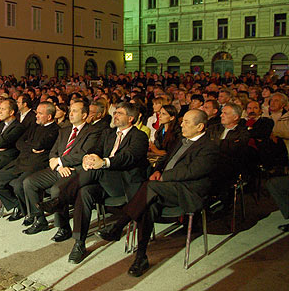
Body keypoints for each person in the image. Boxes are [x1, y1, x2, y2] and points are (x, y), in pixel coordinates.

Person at [97, 109, 218, 277]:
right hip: (164, 189)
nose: (181, 125)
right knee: (147, 206)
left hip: (188, 192)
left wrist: (163, 176)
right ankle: (141, 257)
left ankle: (119, 224)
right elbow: (166, 159)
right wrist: (158, 169)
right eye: (182, 121)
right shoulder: (182, 140)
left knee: (149, 187)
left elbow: (193, 171)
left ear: (200, 126)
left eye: (187, 122)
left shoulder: (210, 146)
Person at [37, 102, 149, 264]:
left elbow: (128, 158)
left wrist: (103, 162)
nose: (115, 116)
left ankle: (61, 199)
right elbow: (95, 149)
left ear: (131, 119)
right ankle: (79, 243)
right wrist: (88, 158)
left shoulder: (139, 136)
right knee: (85, 192)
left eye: (120, 113)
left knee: (96, 168)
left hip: (122, 183)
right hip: (100, 181)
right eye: (115, 112)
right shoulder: (108, 133)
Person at [21, 100, 101, 234]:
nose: (71, 114)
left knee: (56, 190)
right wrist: (58, 166)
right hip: (59, 168)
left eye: (75, 111)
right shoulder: (64, 131)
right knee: (29, 182)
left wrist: (60, 161)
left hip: (75, 170)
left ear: (84, 115)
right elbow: (53, 151)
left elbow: (83, 154)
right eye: (70, 111)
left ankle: (63, 227)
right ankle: (40, 220)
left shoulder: (92, 132)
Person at [0, 101, 60, 222]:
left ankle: (35, 216)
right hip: (20, 161)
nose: (36, 115)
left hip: (37, 164)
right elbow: (19, 143)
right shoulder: (34, 126)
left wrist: (30, 146)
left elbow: (39, 145)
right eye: (37, 112)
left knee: (18, 186)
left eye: (40, 113)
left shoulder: (55, 130)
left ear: (49, 117)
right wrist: (31, 148)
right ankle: (20, 207)